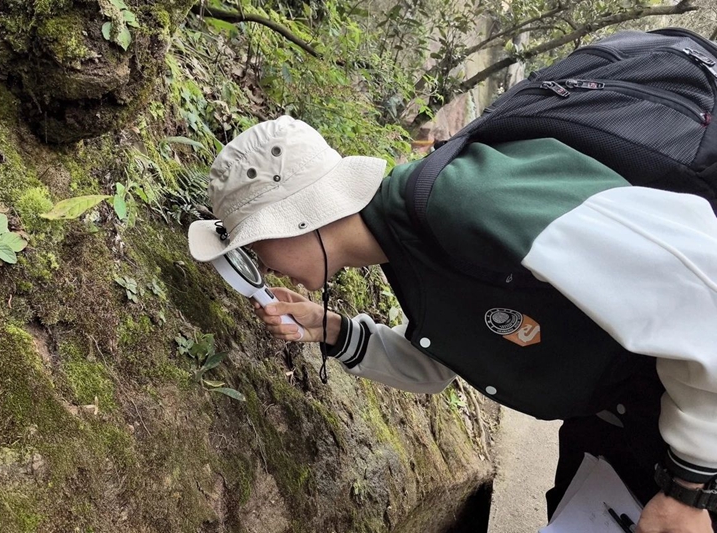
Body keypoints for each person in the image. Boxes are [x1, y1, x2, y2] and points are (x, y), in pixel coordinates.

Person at [188, 115, 717, 532]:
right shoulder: (405, 246)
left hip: (689, 441)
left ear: (295, 219)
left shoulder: (473, 200)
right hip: (611, 441)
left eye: (254, 244)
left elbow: (700, 284)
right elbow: (439, 368)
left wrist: (689, 488)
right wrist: (330, 330)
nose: (262, 263)